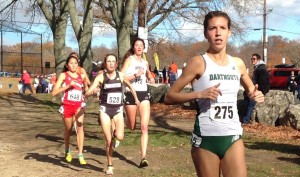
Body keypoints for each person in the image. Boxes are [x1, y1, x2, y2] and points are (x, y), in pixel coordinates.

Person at [164, 11, 264, 177]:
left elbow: (251, 90)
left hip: (233, 136)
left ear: (229, 32)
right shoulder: (198, 62)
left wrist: (256, 94)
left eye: (222, 28)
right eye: (212, 28)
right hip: (206, 139)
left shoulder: (237, 63)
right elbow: (169, 96)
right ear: (206, 33)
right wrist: (199, 94)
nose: (218, 33)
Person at [85, 54, 140, 175]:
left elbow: (130, 86)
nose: (110, 63)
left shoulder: (120, 75)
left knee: (120, 137)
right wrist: (89, 93)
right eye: (108, 61)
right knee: (108, 141)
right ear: (105, 63)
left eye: (113, 61)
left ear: (116, 64)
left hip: (118, 110)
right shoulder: (100, 77)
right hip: (104, 110)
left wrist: (136, 99)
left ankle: (116, 136)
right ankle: (110, 165)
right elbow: (89, 91)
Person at [120, 37, 155, 168]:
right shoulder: (129, 60)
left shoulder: (145, 62)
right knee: (132, 126)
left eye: (141, 45)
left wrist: (150, 78)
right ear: (133, 47)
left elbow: (149, 75)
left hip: (143, 94)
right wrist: (135, 75)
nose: (139, 47)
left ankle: (143, 157)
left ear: (143, 47)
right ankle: (123, 121)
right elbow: (121, 77)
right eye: (137, 45)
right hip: (130, 94)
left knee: (144, 127)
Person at [52, 55, 88, 165]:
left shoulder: (81, 76)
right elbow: (54, 92)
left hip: (79, 105)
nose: (73, 65)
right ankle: (67, 150)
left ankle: (80, 154)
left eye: (75, 63)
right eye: (71, 63)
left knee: (80, 127)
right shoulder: (64, 75)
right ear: (67, 65)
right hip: (67, 106)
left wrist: (92, 91)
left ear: (78, 65)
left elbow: (86, 90)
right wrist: (68, 86)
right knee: (68, 130)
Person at [243, 53, 270, 124]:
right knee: (246, 97)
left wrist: (260, 91)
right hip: (254, 88)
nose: (252, 60)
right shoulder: (258, 67)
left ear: (259, 60)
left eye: (254, 59)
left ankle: (246, 120)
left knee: (251, 102)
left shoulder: (261, 68)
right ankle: (246, 118)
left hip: (258, 90)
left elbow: (263, 81)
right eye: (251, 59)